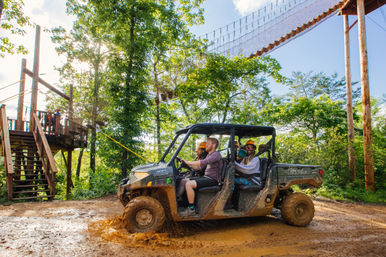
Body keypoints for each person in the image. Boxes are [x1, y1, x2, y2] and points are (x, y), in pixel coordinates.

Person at [181, 138, 223, 216]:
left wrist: (188, 162)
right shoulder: (209, 155)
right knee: (185, 180)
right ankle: (181, 202)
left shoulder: (216, 154)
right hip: (206, 178)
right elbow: (199, 168)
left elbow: (203, 162)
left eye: (208, 143)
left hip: (213, 180)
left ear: (213, 145)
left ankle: (191, 209)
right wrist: (187, 165)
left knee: (189, 184)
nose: (206, 144)